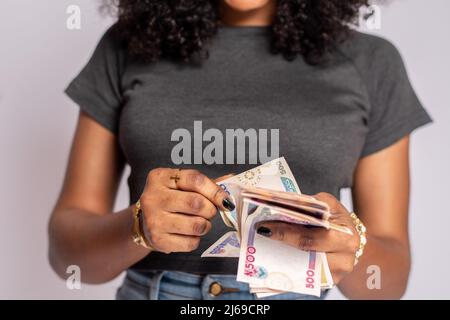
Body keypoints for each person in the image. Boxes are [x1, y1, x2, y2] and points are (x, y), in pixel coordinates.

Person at [48, 0, 432, 300]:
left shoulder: (371, 63)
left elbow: (390, 281)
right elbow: (67, 258)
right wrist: (138, 227)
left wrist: (353, 249)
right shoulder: (127, 47)